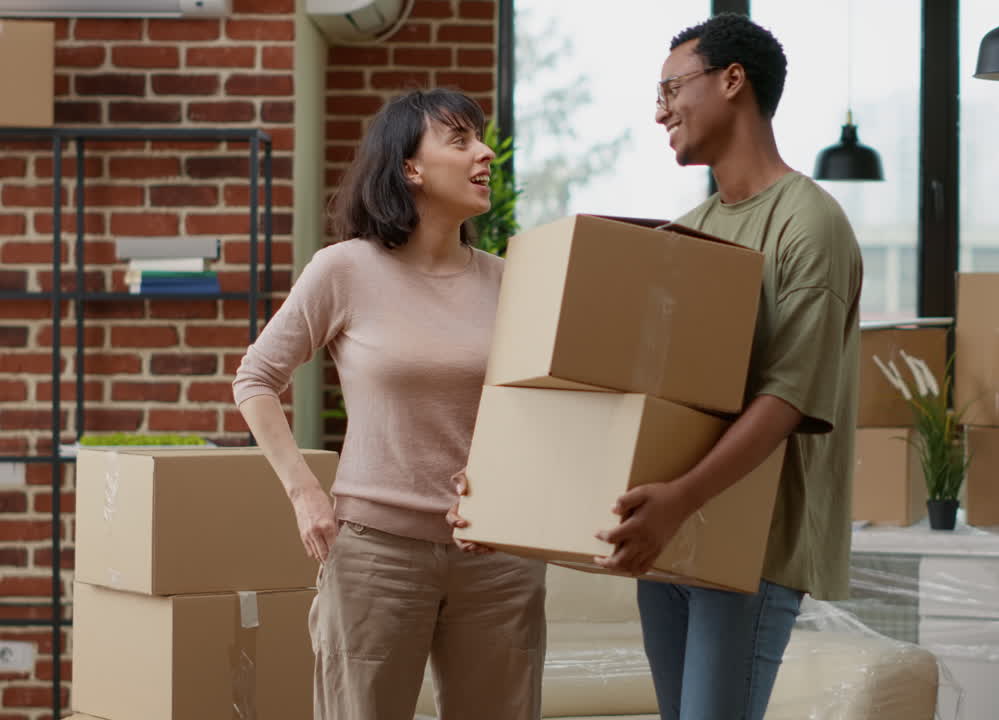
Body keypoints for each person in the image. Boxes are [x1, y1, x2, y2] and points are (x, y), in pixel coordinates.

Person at [232, 88, 545, 720]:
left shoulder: (512, 281)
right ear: (411, 167)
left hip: (496, 559)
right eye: (460, 140)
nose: (484, 152)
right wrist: (305, 494)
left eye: (481, 138)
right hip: (376, 555)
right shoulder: (345, 270)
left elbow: (540, 409)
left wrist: (508, 490)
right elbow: (255, 378)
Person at [594, 13, 863, 720]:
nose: (660, 112)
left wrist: (679, 497)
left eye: (671, 88)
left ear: (731, 80)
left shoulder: (809, 223)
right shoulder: (698, 230)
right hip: (674, 537)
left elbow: (789, 397)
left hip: (752, 547)